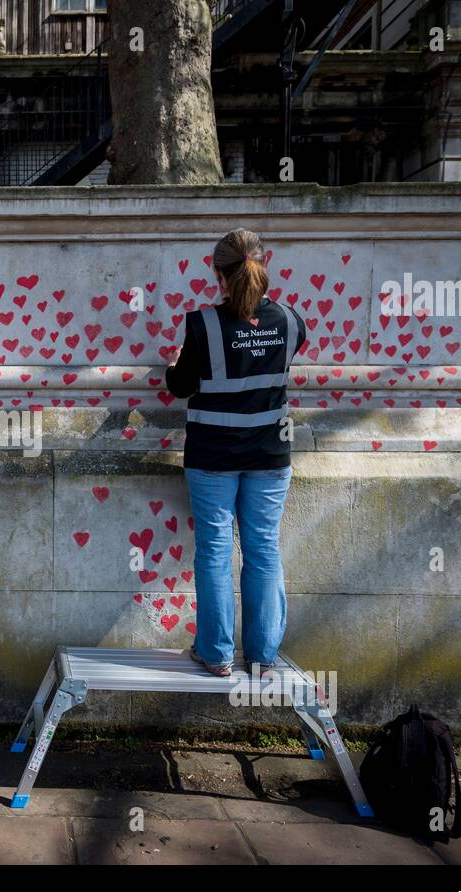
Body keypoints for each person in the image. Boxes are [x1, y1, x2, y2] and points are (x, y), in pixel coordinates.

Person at [164, 228, 308, 679]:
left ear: (217, 273)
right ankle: (263, 658)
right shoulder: (290, 321)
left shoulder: (202, 324)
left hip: (212, 457)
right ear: (265, 265)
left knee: (214, 551)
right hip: (269, 457)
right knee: (263, 549)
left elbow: (181, 386)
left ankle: (217, 654)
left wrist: (172, 365)